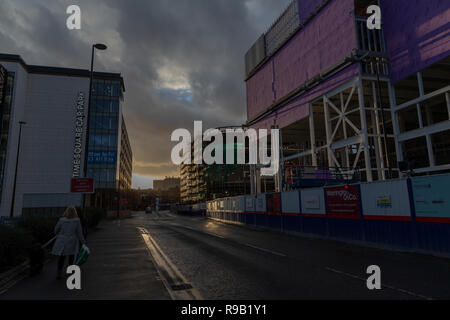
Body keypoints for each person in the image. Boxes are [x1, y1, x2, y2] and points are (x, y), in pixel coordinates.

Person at [52, 206, 86, 280]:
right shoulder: (77, 221)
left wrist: (60, 234)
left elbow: (56, 230)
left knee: (61, 257)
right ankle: (70, 271)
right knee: (71, 256)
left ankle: (59, 272)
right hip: (72, 240)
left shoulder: (61, 220)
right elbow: (79, 233)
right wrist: (83, 242)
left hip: (62, 240)